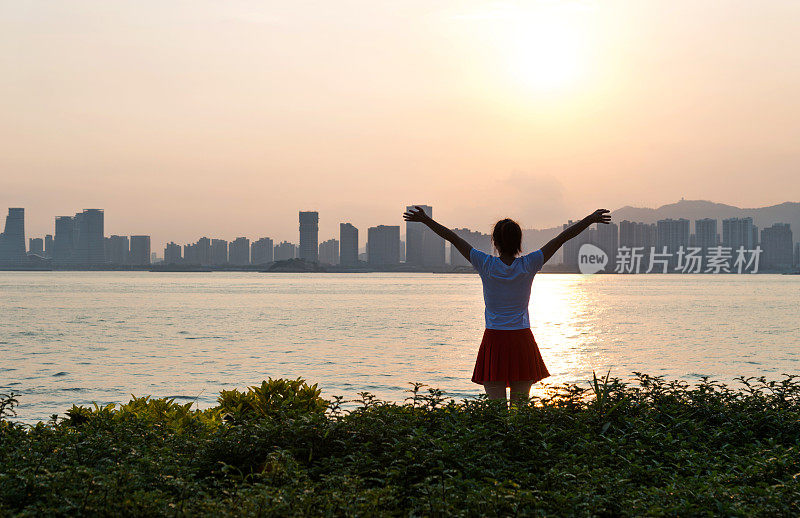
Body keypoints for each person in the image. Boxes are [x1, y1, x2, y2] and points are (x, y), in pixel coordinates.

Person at [402, 206, 612, 403]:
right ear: (519, 241)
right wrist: (590, 219)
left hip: (494, 339)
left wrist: (425, 220)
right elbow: (561, 238)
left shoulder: (485, 263)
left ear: (495, 242)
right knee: (521, 412)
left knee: (496, 413)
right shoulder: (529, 263)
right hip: (522, 340)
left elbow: (453, 238)